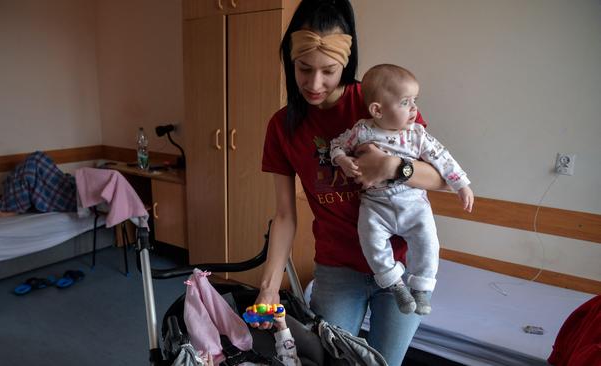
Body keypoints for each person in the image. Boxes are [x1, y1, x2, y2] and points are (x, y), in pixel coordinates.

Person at [256, 1, 450, 365]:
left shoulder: (381, 102)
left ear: (347, 60)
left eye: (328, 70)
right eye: (303, 69)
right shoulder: (282, 126)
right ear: (289, 62)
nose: (315, 84)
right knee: (332, 361)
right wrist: (268, 287)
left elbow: (439, 178)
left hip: (400, 264)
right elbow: (284, 216)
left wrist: (395, 166)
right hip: (336, 271)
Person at [330, 64, 474, 315]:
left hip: (412, 203)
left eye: (415, 101)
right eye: (406, 102)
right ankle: (395, 284)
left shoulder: (416, 134)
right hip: (375, 204)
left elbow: (442, 157)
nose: (414, 109)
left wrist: (461, 183)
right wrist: (342, 160)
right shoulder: (362, 131)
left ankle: (421, 287)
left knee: (428, 241)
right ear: (377, 109)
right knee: (371, 240)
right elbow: (336, 145)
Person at [0, 151, 77, 217]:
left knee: (34, 162)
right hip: (74, 184)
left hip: (77, 195)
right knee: (38, 158)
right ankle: (15, 204)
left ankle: (12, 208)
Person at [201, 315, 301, 366]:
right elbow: (289, 354)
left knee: (201, 333)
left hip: (216, 359)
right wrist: (281, 326)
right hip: (244, 349)